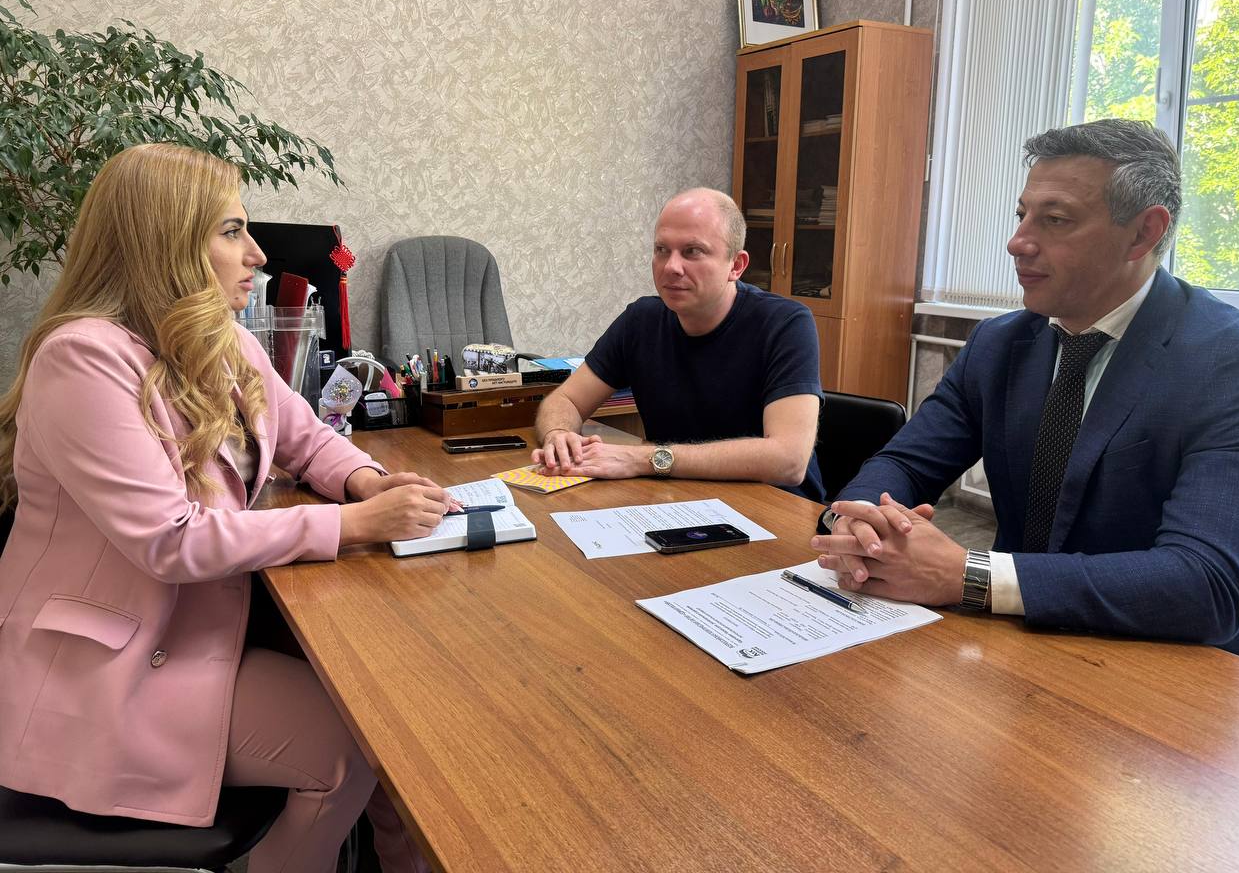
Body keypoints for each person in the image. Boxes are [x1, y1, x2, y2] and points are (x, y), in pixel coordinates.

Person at [0, 144, 448, 872]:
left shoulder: (224, 340)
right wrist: (350, 525)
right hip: (107, 672)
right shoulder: (82, 359)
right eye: (233, 231)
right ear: (166, 242)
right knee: (354, 746)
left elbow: (307, 438)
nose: (258, 254)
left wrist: (367, 482)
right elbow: (169, 540)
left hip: (198, 630)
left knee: (394, 717)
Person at [812, 119, 1239, 666]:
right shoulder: (998, 343)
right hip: (1023, 642)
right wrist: (860, 523)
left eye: (1055, 220)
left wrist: (969, 575)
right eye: (1022, 215)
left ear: (1143, 233)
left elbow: (1208, 583)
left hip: (1188, 668)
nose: (1017, 242)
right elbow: (906, 462)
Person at [532, 187, 824, 500]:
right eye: (661, 249)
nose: (671, 267)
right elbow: (565, 400)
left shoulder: (785, 323)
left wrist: (643, 459)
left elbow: (788, 460)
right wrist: (558, 433)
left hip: (774, 508)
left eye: (692, 251)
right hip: (678, 499)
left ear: (736, 266)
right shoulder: (641, 320)